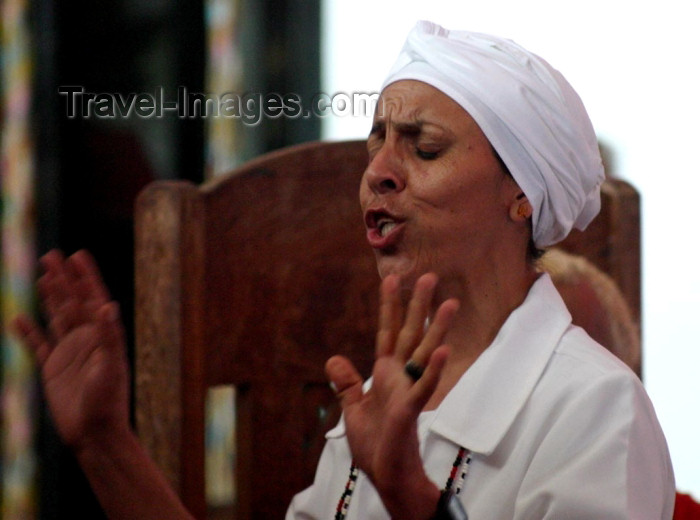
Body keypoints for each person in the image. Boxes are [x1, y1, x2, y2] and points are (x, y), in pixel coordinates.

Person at [13, 20, 674, 520]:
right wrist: (106, 444)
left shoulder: (596, 413)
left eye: (425, 146)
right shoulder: (380, 404)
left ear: (521, 193)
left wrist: (416, 500)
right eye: (376, 142)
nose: (378, 172)